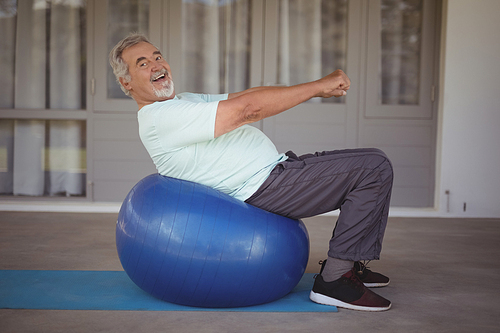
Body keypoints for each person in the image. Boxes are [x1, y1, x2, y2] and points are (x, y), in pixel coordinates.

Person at [109, 33, 394, 312]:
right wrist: (318, 87)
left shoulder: (182, 101)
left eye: (158, 56)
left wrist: (308, 86)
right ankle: (335, 281)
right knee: (374, 169)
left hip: (280, 170)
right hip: (266, 186)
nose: (157, 65)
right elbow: (248, 109)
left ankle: (349, 261)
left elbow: (245, 96)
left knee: (373, 162)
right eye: (143, 63)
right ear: (126, 83)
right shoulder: (159, 118)